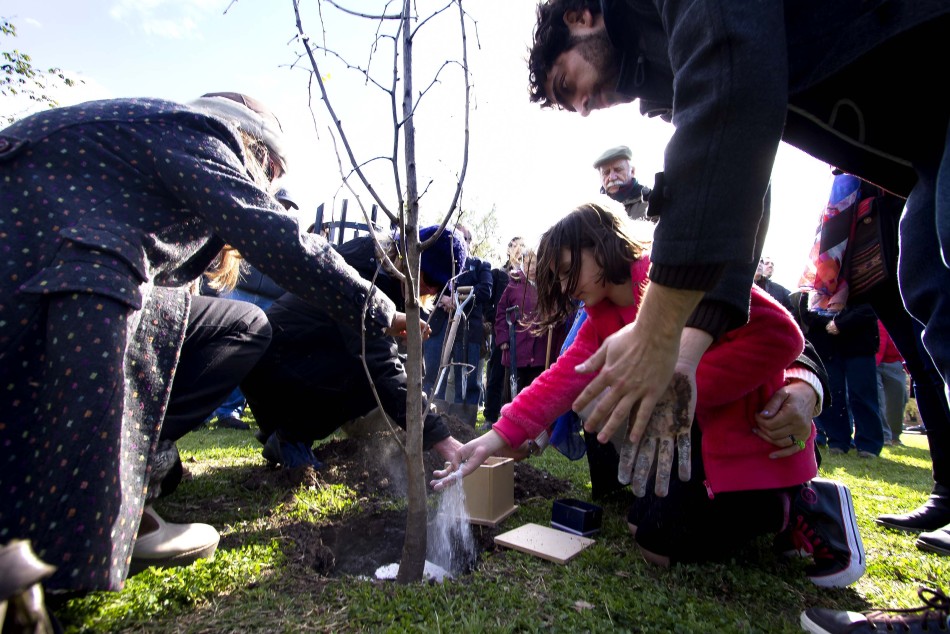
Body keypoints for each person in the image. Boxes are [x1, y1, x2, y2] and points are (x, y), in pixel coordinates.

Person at [524, 1, 950, 524]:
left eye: (568, 84)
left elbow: (726, 107)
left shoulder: (680, 21)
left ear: (580, 16)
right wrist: (690, 343)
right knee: (929, 276)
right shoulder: (665, 73)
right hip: (922, 140)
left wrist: (661, 332)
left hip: (927, 46)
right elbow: (739, 186)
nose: (584, 106)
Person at [0, 92, 421, 595]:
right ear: (257, 150)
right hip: (65, 295)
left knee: (221, 321)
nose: (267, 189)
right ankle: (91, 514)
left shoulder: (139, 145)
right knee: (245, 325)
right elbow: (281, 238)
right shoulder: (201, 133)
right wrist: (382, 310)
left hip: (33, 293)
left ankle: (130, 466)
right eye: (271, 176)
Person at [434, 203, 864, 587]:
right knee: (644, 533)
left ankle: (797, 503)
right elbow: (562, 378)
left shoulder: (675, 277)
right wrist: (492, 439)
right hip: (696, 441)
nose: (565, 287)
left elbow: (783, 334)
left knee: (663, 544)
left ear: (600, 244)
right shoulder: (601, 317)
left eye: (567, 270)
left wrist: (683, 383)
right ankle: (749, 508)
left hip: (749, 438)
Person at [241, 225, 467, 468]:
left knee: (375, 371)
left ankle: (287, 430)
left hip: (287, 362)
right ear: (410, 257)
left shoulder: (388, 273)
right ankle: (290, 435)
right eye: (430, 279)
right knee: (368, 375)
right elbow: (379, 364)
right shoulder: (367, 272)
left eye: (440, 287)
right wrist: (438, 436)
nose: (431, 290)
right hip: (274, 367)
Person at [200, 186, 298, 431]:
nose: (283, 208)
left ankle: (229, 412)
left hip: (270, 299)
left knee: (249, 355)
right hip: (238, 290)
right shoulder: (248, 219)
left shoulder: (288, 234)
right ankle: (201, 412)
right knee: (219, 349)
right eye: (281, 202)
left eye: (288, 206)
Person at [422, 224, 493, 426]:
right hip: (439, 328)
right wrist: (443, 299)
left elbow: (485, 290)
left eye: (463, 239)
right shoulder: (441, 264)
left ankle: (464, 424)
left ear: (470, 243)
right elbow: (427, 287)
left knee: (467, 378)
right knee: (434, 374)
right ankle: (431, 417)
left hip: (468, 330)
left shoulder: (480, 265)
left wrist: (458, 299)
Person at [802, 302, 884, 458]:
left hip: (859, 343)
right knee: (832, 395)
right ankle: (837, 441)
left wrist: (840, 324)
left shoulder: (861, 287)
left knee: (862, 394)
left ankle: (868, 444)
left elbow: (870, 307)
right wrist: (828, 323)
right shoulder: (812, 286)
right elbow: (806, 311)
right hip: (826, 344)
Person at [493, 248, 568, 397]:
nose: (531, 268)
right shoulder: (513, 285)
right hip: (516, 351)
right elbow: (501, 313)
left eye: (534, 263)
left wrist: (554, 317)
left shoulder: (548, 286)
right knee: (513, 395)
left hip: (541, 353)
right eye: (527, 263)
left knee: (535, 395)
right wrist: (503, 338)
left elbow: (559, 311)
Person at [483, 236, 525, 427]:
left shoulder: (526, 277)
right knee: (497, 372)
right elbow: (488, 302)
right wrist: (496, 320)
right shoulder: (499, 275)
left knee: (519, 374)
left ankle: (515, 415)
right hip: (501, 330)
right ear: (508, 250)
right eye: (516, 246)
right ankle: (490, 416)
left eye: (522, 246)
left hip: (522, 333)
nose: (519, 249)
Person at [592, 145, 652, 221]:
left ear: (632, 171)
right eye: (606, 173)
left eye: (618, 170)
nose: (612, 177)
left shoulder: (651, 202)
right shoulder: (593, 210)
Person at [876, 320, 908, 447]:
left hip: (894, 361)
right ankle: (884, 436)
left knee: (898, 400)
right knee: (878, 400)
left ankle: (895, 436)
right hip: (873, 360)